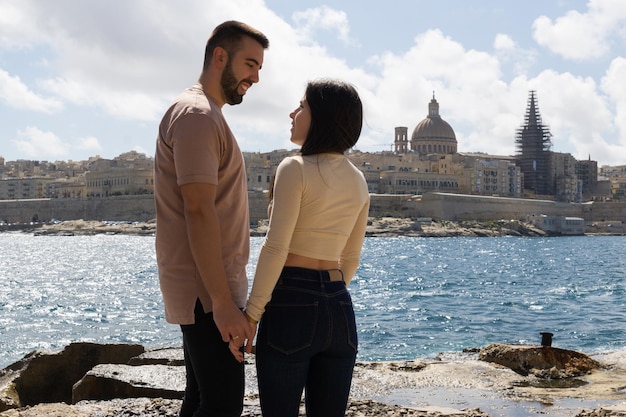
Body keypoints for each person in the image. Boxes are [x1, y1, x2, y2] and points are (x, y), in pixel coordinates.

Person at [154, 21, 269, 417]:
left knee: (203, 399)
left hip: (208, 287)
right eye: (250, 64)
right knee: (221, 405)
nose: (255, 77)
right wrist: (221, 302)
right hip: (207, 291)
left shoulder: (204, 113)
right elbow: (198, 209)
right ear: (220, 56)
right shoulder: (197, 115)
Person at [236, 79, 370, 417]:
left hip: (291, 301)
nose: (292, 113)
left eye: (302, 106)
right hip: (339, 306)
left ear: (322, 116)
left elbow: (276, 246)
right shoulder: (358, 180)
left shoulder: (294, 167)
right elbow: (350, 258)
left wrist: (252, 314)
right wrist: (328, 296)